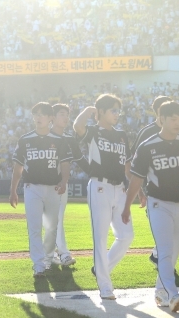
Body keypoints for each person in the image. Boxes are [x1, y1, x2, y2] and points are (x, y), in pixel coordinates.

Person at [121, 101, 179, 313]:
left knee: (173, 253)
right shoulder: (147, 146)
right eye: (173, 119)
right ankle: (174, 295)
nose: (178, 123)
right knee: (164, 252)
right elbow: (136, 179)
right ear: (161, 119)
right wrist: (127, 204)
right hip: (158, 204)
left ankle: (160, 292)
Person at [74, 94, 135, 300]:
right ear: (101, 112)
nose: (117, 114)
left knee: (126, 235)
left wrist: (138, 190)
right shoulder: (93, 131)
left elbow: (127, 166)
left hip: (120, 189)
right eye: (113, 110)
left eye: (118, 110)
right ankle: (105, 286)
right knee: (100, 238)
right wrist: (89, 110)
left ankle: (101, 269)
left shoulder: (122, 135)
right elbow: (77, 127)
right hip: (99, 186)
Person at [9, 102, 71, 278]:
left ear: (50, 118)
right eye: (35, 114)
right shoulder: (25, 139)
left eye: (42, 114)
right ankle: (38, 265)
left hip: (53, 189)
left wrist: (64, 181)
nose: (38, 117)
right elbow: (18, 167)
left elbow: (65, 164)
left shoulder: (59, 140)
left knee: (52, 228)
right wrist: (13, 190)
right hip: (32, 188)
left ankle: (48, 258)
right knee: (35, 228)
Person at [128, 95, 172, 267]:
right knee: (162, 225)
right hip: (152, 185)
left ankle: (157, 254)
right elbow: (135, 160)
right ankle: (161, 259)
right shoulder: (147, 132)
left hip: (172, 184)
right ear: (158, 111)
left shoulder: (174, 131)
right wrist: (139, 188)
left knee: (172, 227)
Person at [50, 103, 88, 266]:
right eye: (61, 114)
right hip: (43, 185)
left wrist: (96, 172)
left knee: (57, 218)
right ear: (52, 117)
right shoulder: (43, 137)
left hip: (60, 184)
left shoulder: (69, 139)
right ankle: (62, 253)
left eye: (66, 114)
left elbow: (80, 159)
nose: (65, 117)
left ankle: (55, 253)